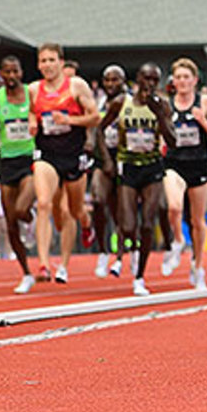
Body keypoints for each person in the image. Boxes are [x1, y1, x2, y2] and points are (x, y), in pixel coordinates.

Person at [99, 63, 176, 296]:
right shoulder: (121, 103)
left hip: (152, 167)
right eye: (146, 78)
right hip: (128, 168)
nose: (150, 83)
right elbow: (99, 131)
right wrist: (108, 161)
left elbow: (172, 141)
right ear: (138, 79)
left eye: (155, 79)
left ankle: (140, 277)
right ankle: (130, 253)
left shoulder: (162, 105)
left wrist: (160, 117)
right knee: (128, 226)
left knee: (146, 224)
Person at [28, 43, 100, 283]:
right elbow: (29, 111)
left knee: (72, 211)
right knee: (44, 204)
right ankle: (44, 264)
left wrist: (68, 119)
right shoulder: (33, 89)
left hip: (74, 155)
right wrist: (31, 122)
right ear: (38, 65)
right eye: (43, 61)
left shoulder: (76, 86)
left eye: (51, 60)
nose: (47, 65)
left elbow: (95, 117)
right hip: (46, 154)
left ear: (61, 62)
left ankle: (67, 261)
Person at [161, 57, 207, 290]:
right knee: (174, 207)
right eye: (178, 77)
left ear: (195, 80)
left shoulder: (205, 102)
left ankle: (198, 266)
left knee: (198, 221)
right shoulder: (166, 105)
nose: (182, 81)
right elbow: (161, 133)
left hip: (198, 164)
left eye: (186, 77)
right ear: (173, 81)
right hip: (174, 164)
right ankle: (178, 240)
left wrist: (203, 122)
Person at [0, 55, 39, 292]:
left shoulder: (31, 96)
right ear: (1, 75)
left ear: (21, 73)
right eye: (7, 72)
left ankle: (31, 221)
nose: (11, 77)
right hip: (7, 161)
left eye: (15, 72)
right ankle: (26, 273)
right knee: (11, 222)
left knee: (21, 209)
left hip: (30, 158)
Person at [90, 64, 128, 278]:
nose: (111, 84)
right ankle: (103, 250)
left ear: (123, 81)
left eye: (115, 80)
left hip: (125, 159)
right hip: (103, 159)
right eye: (107, 80)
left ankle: (120, 257)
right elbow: (94, 130)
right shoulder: (98, 102)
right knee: (97, 200)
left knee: (122, 211)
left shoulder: (130, 102)